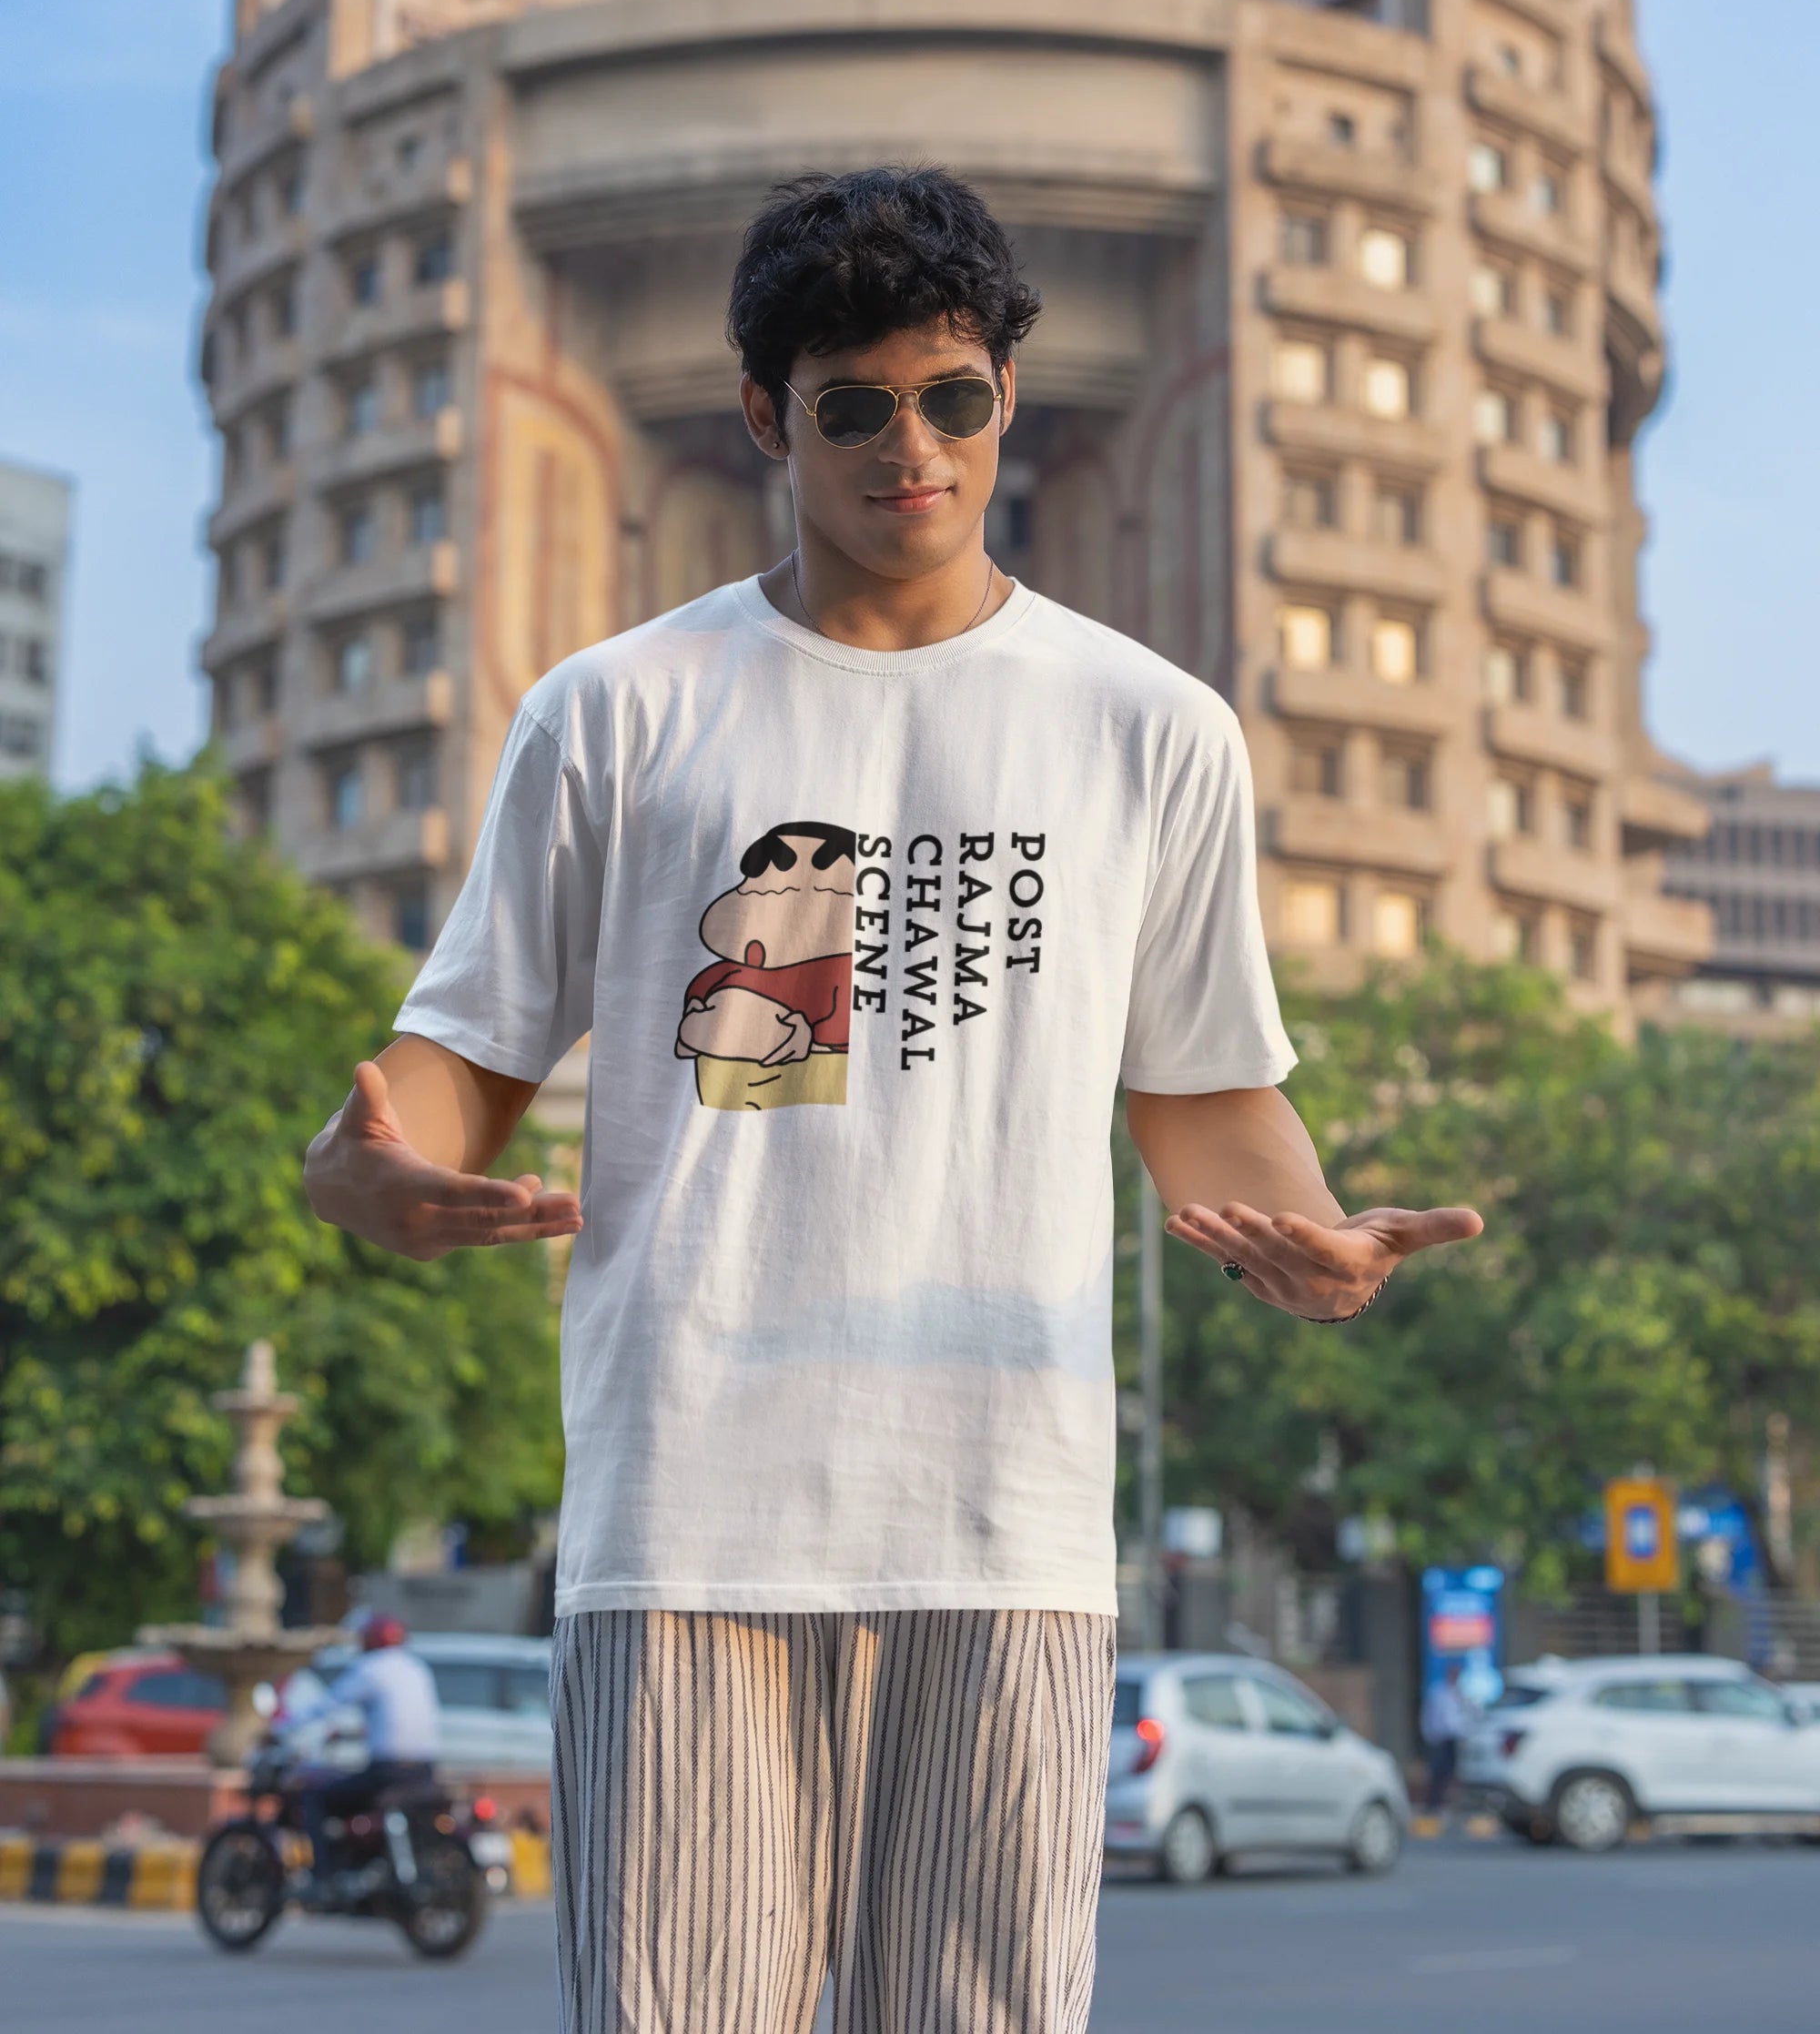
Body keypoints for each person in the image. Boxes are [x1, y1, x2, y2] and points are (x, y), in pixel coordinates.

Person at [305, 166, 1482, 2032]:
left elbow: (1204, 1099)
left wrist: (1323, 1248)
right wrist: (369, 1174)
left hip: (1001, 1515)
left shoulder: (1148, 727)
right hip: (686, 1508)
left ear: (1006, 397)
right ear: (770, 415)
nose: (907, 446)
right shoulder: (619, 709)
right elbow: (452, 1068)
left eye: (950, 397)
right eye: (851, 403)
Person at [291, 1614, 440, 1893]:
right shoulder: (417, 1668)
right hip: (424, 1769)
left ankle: (323, 1876)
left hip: (388, 1772)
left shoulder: (371, 1668)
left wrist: (282, 1728)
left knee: (315, 1796)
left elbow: (327, 1704)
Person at [1421, 1660, 1476, 1814]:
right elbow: (1429, 1715)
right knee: (1438, 1772)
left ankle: (1448, 1804)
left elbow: (1469, 1714)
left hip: (1456, 1738)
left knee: (1453, 1773)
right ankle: (1433, 1804)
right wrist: (1429, 1734)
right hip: (1439, 1738)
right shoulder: (1438, 1692)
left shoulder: (1461, 1693)